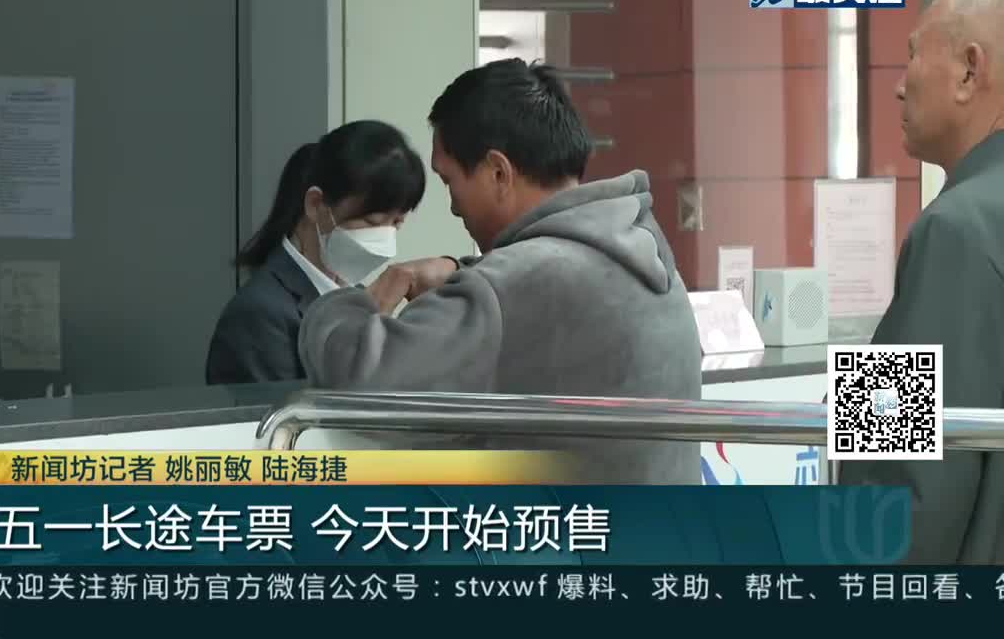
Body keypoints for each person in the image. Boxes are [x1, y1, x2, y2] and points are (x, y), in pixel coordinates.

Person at [296, 58, 702, 484]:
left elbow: (367, 382)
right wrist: (461, 271)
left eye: (450, 181)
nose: (453, 207)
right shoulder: (643, 255)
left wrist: (345, 306)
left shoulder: (514, 284)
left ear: (497, 172)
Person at [834, 0, 1004, 563]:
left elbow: (898, 473)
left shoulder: (952, 230)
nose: (899, 86)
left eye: (912, 55)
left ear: (969, 71)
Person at [205, 120, 427, 385]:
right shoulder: (260, 314)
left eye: (397, 223)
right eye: (372, 222)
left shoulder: (354, 295)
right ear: (315, 205)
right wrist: (371, 321)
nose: (384, 237)